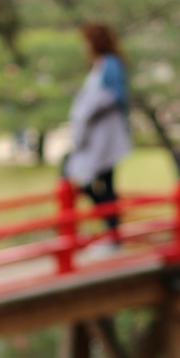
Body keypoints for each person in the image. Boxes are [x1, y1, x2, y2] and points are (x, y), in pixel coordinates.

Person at [64, 23, 132, 237]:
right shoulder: (101, 66)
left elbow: (116, 96)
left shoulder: (110, 65)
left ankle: (113, 233)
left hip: (105, 139)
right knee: (99, 183)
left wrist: (90, 107)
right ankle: (112, 231)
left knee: (93, 181)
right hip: (97, 138)